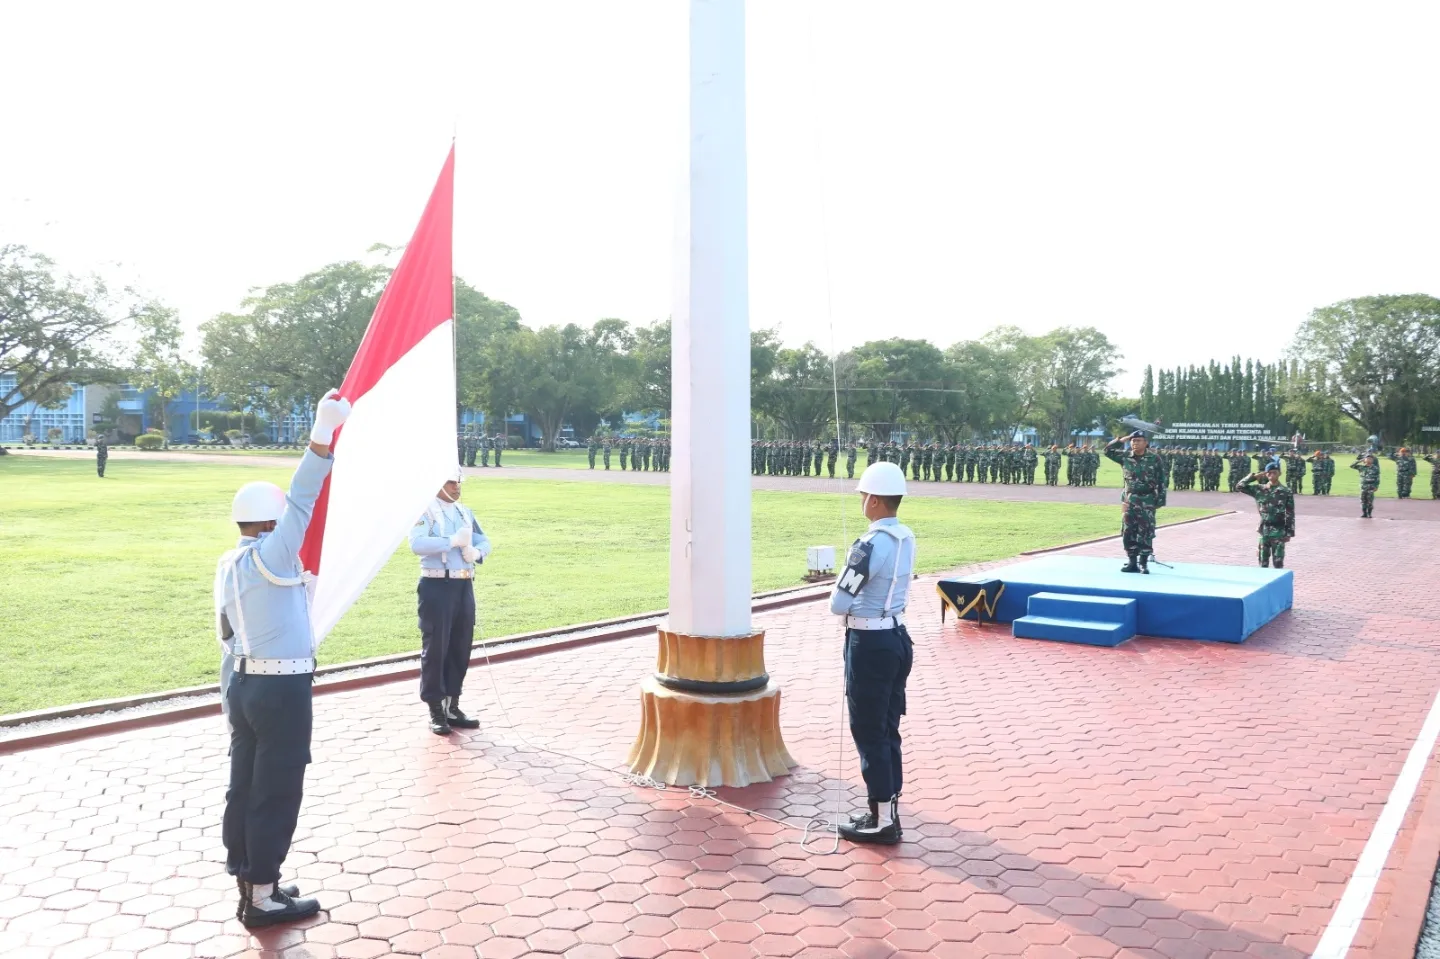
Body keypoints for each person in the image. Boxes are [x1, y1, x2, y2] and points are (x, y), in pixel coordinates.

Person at [217, 389, 350, 927]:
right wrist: (322, 435)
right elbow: (302, 498)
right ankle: (264, 898)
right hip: (280, 690)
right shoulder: (275, 552)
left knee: (244, 784)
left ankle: (250, 876)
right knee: (277, 789)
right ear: (272, 522)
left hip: (244, 684)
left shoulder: (232, 560)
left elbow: (227, 633)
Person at [830, 462, 914, 845]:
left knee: (869, 730)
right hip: (897, 637)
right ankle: (888, 810)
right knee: (887, 728)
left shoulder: (868, 544)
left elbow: (839, 602)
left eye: (863, 495)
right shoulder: (906, 537)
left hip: (870, 645)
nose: (862, 501)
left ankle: (880, 819)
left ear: (875, 500)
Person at [408, 466, 492, 735]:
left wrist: (476, 552)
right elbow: (416, 544)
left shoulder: (463, 512)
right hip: (437, 583)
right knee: (436, 647)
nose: (457, 487)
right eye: (451, 483)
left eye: (458, 483)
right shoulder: (426, 512)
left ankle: (453, 703)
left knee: (460, 644)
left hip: (463, 583)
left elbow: (484, 540)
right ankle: (435, 707)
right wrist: (451, 541)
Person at [1104, 431, 1164, 574]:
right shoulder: (1125, 457)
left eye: (1138, 440)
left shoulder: (1154, 458)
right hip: (1130, 499)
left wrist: (1160, 499)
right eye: (1133, 441)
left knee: (1146, 531)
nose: (1135, 443)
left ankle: (1143, 563)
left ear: (1146, 443)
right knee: (1128, 531)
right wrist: (1121, 439)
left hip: (1147, 499)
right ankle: (1132, 562)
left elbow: (1162, 480)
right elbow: (1107, 451)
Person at [1237, 460, 1295, 568]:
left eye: (1275, 472)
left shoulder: (1286, 491)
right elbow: (1240, 486)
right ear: (1266, 474)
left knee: (1278, 563)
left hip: (1279, 531)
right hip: (1264, 530)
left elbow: (1290, 513)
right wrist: (1253, 477)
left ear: (1279, 473)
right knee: (1262, 562)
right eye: (1269, 472)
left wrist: (1289, 532)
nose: (1272, 475)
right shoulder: (1259, 489)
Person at [1352, 452, 1380, 518]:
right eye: (1367, 458)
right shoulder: (1361, 467)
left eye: (1370, 459)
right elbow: (1352, 466)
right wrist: (1359, 461)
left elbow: (1377, 478)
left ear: (1372, 460)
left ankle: (1369, 514)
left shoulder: (1375, 468)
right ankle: (1364, 513)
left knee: (1370, 501)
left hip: (1371, 487)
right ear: (1365, 459)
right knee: (1363, 501)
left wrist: (1376, 486)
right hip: (1363, 486)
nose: (1369, 460)